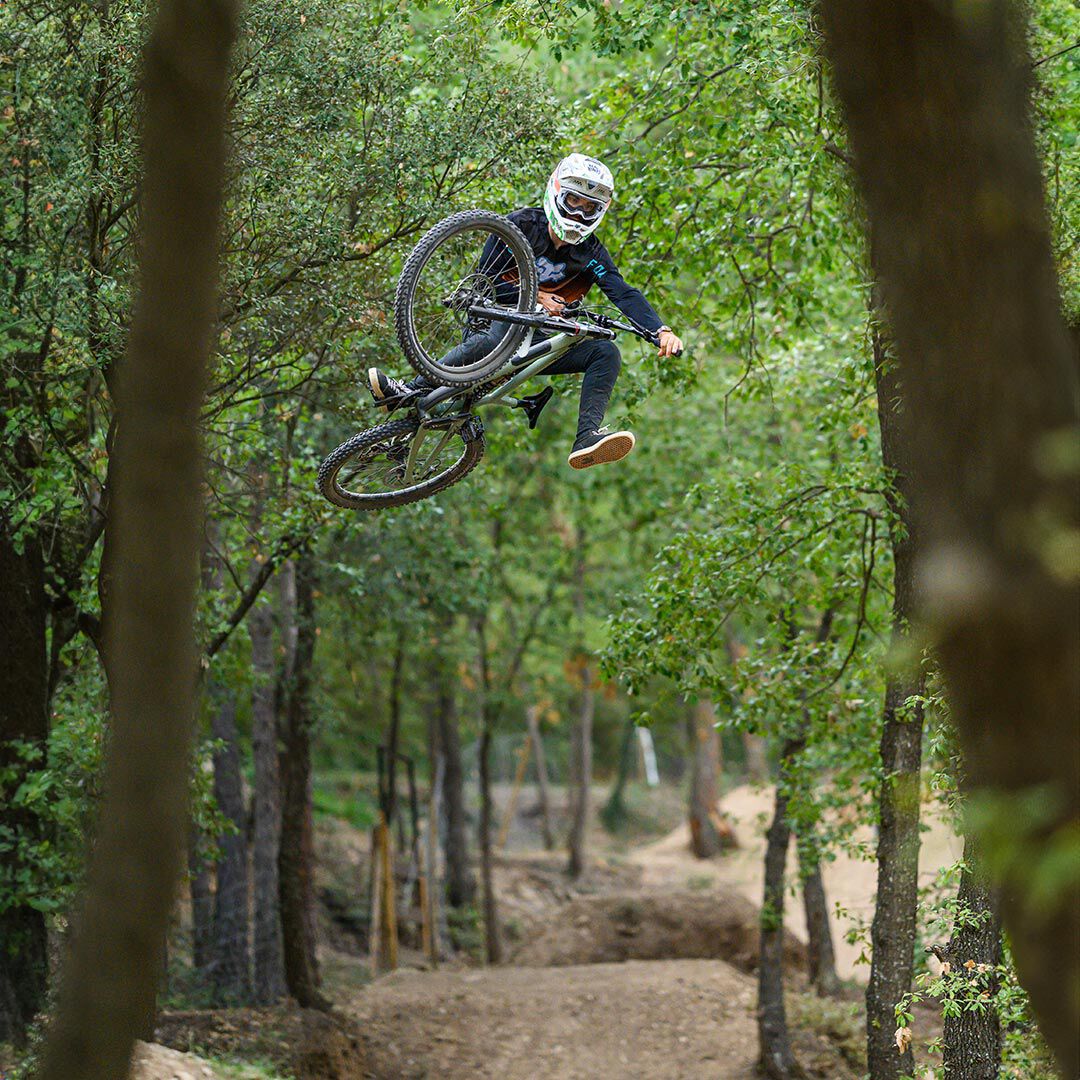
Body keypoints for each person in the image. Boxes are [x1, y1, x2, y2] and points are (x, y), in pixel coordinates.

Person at [368, 154, 684, 469]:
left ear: (599, 212)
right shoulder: (519, 226)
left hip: (537, 338)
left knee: (606, 352)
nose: (578, 211)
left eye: (589, 207)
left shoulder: (591, 254)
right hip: (495, 318)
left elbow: (623, 292)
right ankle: (407, 391)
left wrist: (660, 331)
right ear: (557, 193)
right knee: (495, 341)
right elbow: (487, 280)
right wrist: (538, 297)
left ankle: (586, 437)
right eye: (573, 200)